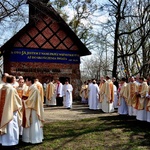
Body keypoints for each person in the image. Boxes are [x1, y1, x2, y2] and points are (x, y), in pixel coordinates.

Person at [0, 75, 22, 146]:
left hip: (3, 111)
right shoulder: (12, 89)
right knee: (12, 126)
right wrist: (20, 104)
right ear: (12, 81)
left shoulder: (2, 88)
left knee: (5, 124)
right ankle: (12, 141)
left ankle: (3, 141)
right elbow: (17, 101)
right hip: (11, 111)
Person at [22, 77, 44, 144]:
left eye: (26, 81)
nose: (26, 82)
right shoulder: (31, 88)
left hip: (33, 109)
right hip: (32, 108)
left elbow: (31, 100)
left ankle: (34, 138)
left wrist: (24, 101)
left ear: (30, 81)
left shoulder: (34, 89)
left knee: (33, 122)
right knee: (31, 122)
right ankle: (29, 138)